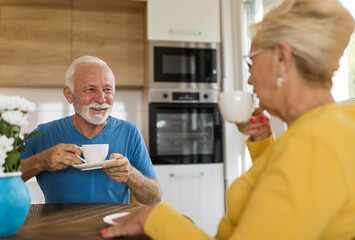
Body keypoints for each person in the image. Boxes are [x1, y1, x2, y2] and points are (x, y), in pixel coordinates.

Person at [100, 0, 355, 239]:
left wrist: (157, 218)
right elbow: (283, 191)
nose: (250, 79)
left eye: (250, 64)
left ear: (281, 59)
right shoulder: (325, 130)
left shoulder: (316, 141)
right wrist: (262, 142)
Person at [20, 56, 161, 206]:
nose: (101, 99)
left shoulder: (129, 132)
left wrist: (131, 175)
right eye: (90, 89)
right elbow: (4, 181)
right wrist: (40, 162)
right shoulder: (43, 135)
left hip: (114, 227)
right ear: (69, 94)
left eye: (107, 90)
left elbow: (154, 198)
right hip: (60, 227)